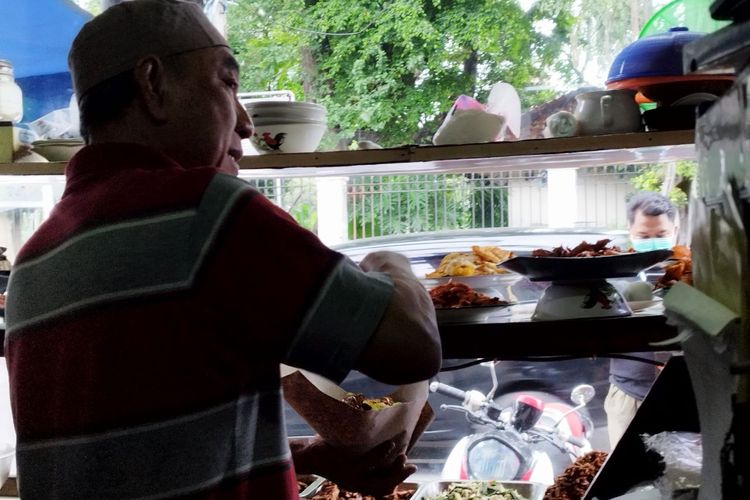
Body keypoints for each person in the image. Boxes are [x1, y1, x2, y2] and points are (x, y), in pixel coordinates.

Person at [2, 1, 441, 498]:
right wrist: (391, 264)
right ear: (154, 84)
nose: (247, 124)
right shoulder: (206, 212)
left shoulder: (35, 259)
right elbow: (414, 348)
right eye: (228, 84)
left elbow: (125, 461)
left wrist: (305, 458)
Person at [604, 191, 677, 448]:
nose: (654, 242)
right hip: (629, 395)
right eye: (645, 237)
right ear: (630, 231)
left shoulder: (694, 271)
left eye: (661, 235)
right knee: (631, 483)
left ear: (675, 229)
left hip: (683, 396)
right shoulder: (614, 272)